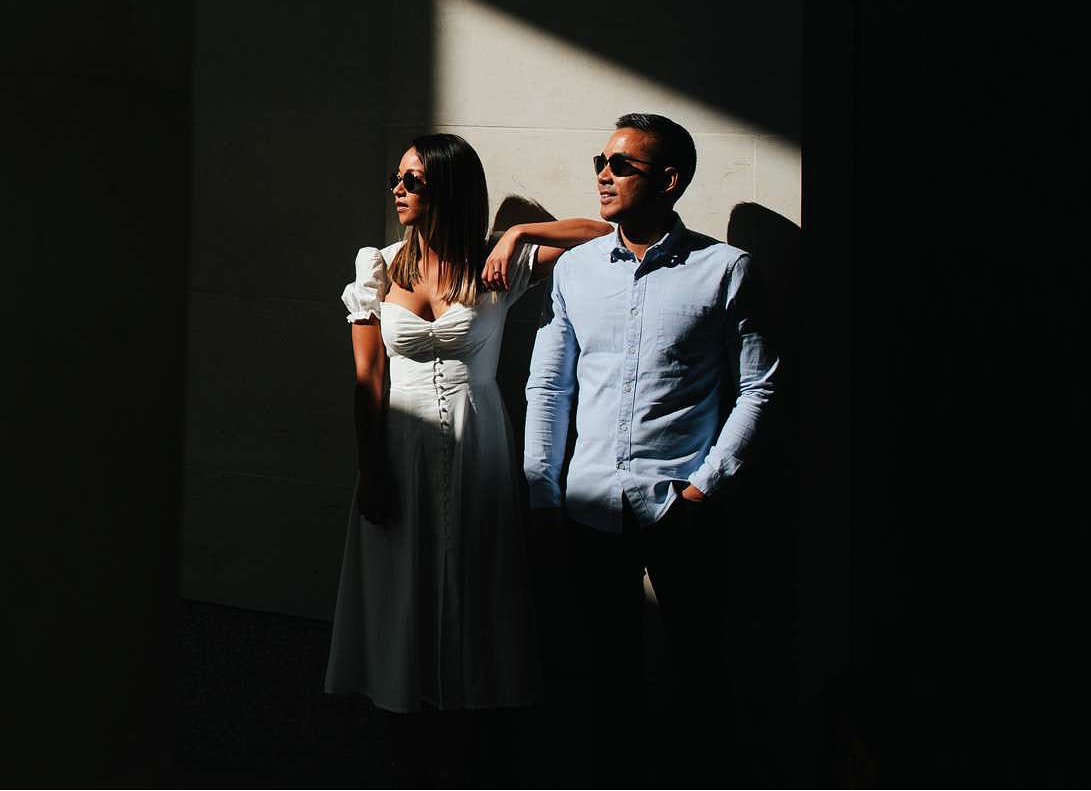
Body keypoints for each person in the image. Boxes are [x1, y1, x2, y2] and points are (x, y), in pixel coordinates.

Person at [324, 133, 607, 718]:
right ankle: (401, 699)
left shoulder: (496, 264)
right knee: (400, 572)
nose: (397, 190)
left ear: (447, 190)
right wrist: (371, 466)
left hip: (477, 435)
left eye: (412, 181)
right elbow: (367, 378)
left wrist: (519, 233)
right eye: (397, 178)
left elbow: (601, 235)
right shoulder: (378, 266)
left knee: (474, 570)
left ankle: (471, 708)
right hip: (398, 440)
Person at [522, 112, 780, 727]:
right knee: (603, 673)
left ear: (668, 181)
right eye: (599, 163)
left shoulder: (726, 270)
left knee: (698, 669)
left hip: (681, 509)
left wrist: (703, 487)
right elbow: (549, 387)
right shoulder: (576, 270)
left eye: (621, 166)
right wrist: (540, 490)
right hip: (587, 507)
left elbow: (759, 388)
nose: (603, 176)